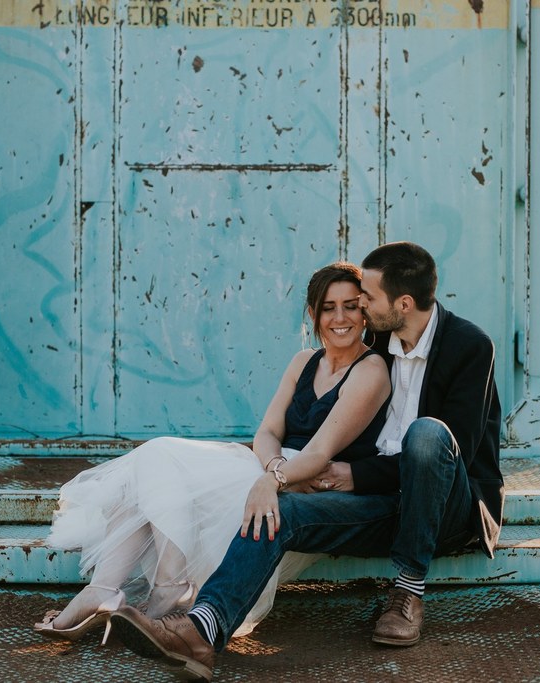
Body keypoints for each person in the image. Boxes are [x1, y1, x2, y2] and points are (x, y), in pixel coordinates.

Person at [107, 241, 505, 682]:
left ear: (403, 303)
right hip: (382, 504)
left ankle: (408, 591)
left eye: (367, 298)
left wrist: (354, 474)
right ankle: (202, 629)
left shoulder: (469, 346)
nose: (360, 310)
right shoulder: (379, 337)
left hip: (445, 506)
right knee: (284, 511)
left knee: (427, 433)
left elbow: (455, 459)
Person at [33, 262, 391, 643]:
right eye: (328, 307)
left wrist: (275, 479)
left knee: (155, 462)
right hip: (270, 468)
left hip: (302, 488)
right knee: (153, 464)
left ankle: (131, 589)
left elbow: (320, 453)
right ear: (312, 314)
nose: (340, 317)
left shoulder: (371, 371)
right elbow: (268, 431)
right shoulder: (303, 362)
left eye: (351, 306)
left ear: (365, 311)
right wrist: (272, 464)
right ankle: (123, 589)